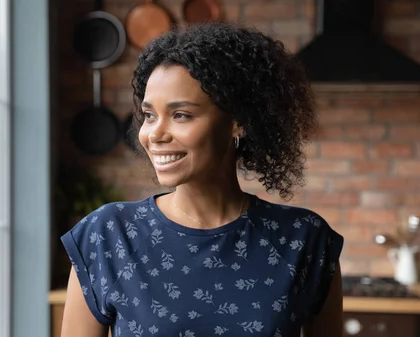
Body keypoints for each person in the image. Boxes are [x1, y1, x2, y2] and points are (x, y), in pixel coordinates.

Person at [60, 22, 344, 337]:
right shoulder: (109, 235)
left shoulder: (303, 240)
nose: (155, 134)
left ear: (238, 123)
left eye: (181, 115)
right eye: (150, 115)